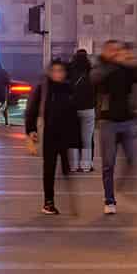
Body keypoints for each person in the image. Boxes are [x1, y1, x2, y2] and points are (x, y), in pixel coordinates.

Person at [93, 41, 137, 214]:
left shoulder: (127, 68)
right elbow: (95, 79)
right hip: (108, 121)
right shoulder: (102, 67)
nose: (116, 53)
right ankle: (109, 200)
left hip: (128, 120)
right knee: (108, 163)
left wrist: (134, 62)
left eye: (118, 50)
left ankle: (121, 187)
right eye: (112, 50)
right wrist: (113, 63)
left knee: (132, 158)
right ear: (106, 51)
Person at [25, 59, 81, 215]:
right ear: (49, 72)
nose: (57, 74)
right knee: (49, 169)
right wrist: (31, 130)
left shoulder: (69, 89)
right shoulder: (43, 89)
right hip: (49, 134)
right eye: (54, 71)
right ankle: (48, 202)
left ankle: (69, 201)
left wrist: (76, 139)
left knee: (66, 169)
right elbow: (31, 111)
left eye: (60, 71)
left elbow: (74, 115)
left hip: (65, 135)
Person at [68, 50, 96, 173]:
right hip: (88, 108)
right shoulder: (92, 72)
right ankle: (86, 165)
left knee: (73, 138)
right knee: (87, 139)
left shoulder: (69, 71)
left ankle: (73, 165)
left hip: (72, 109)